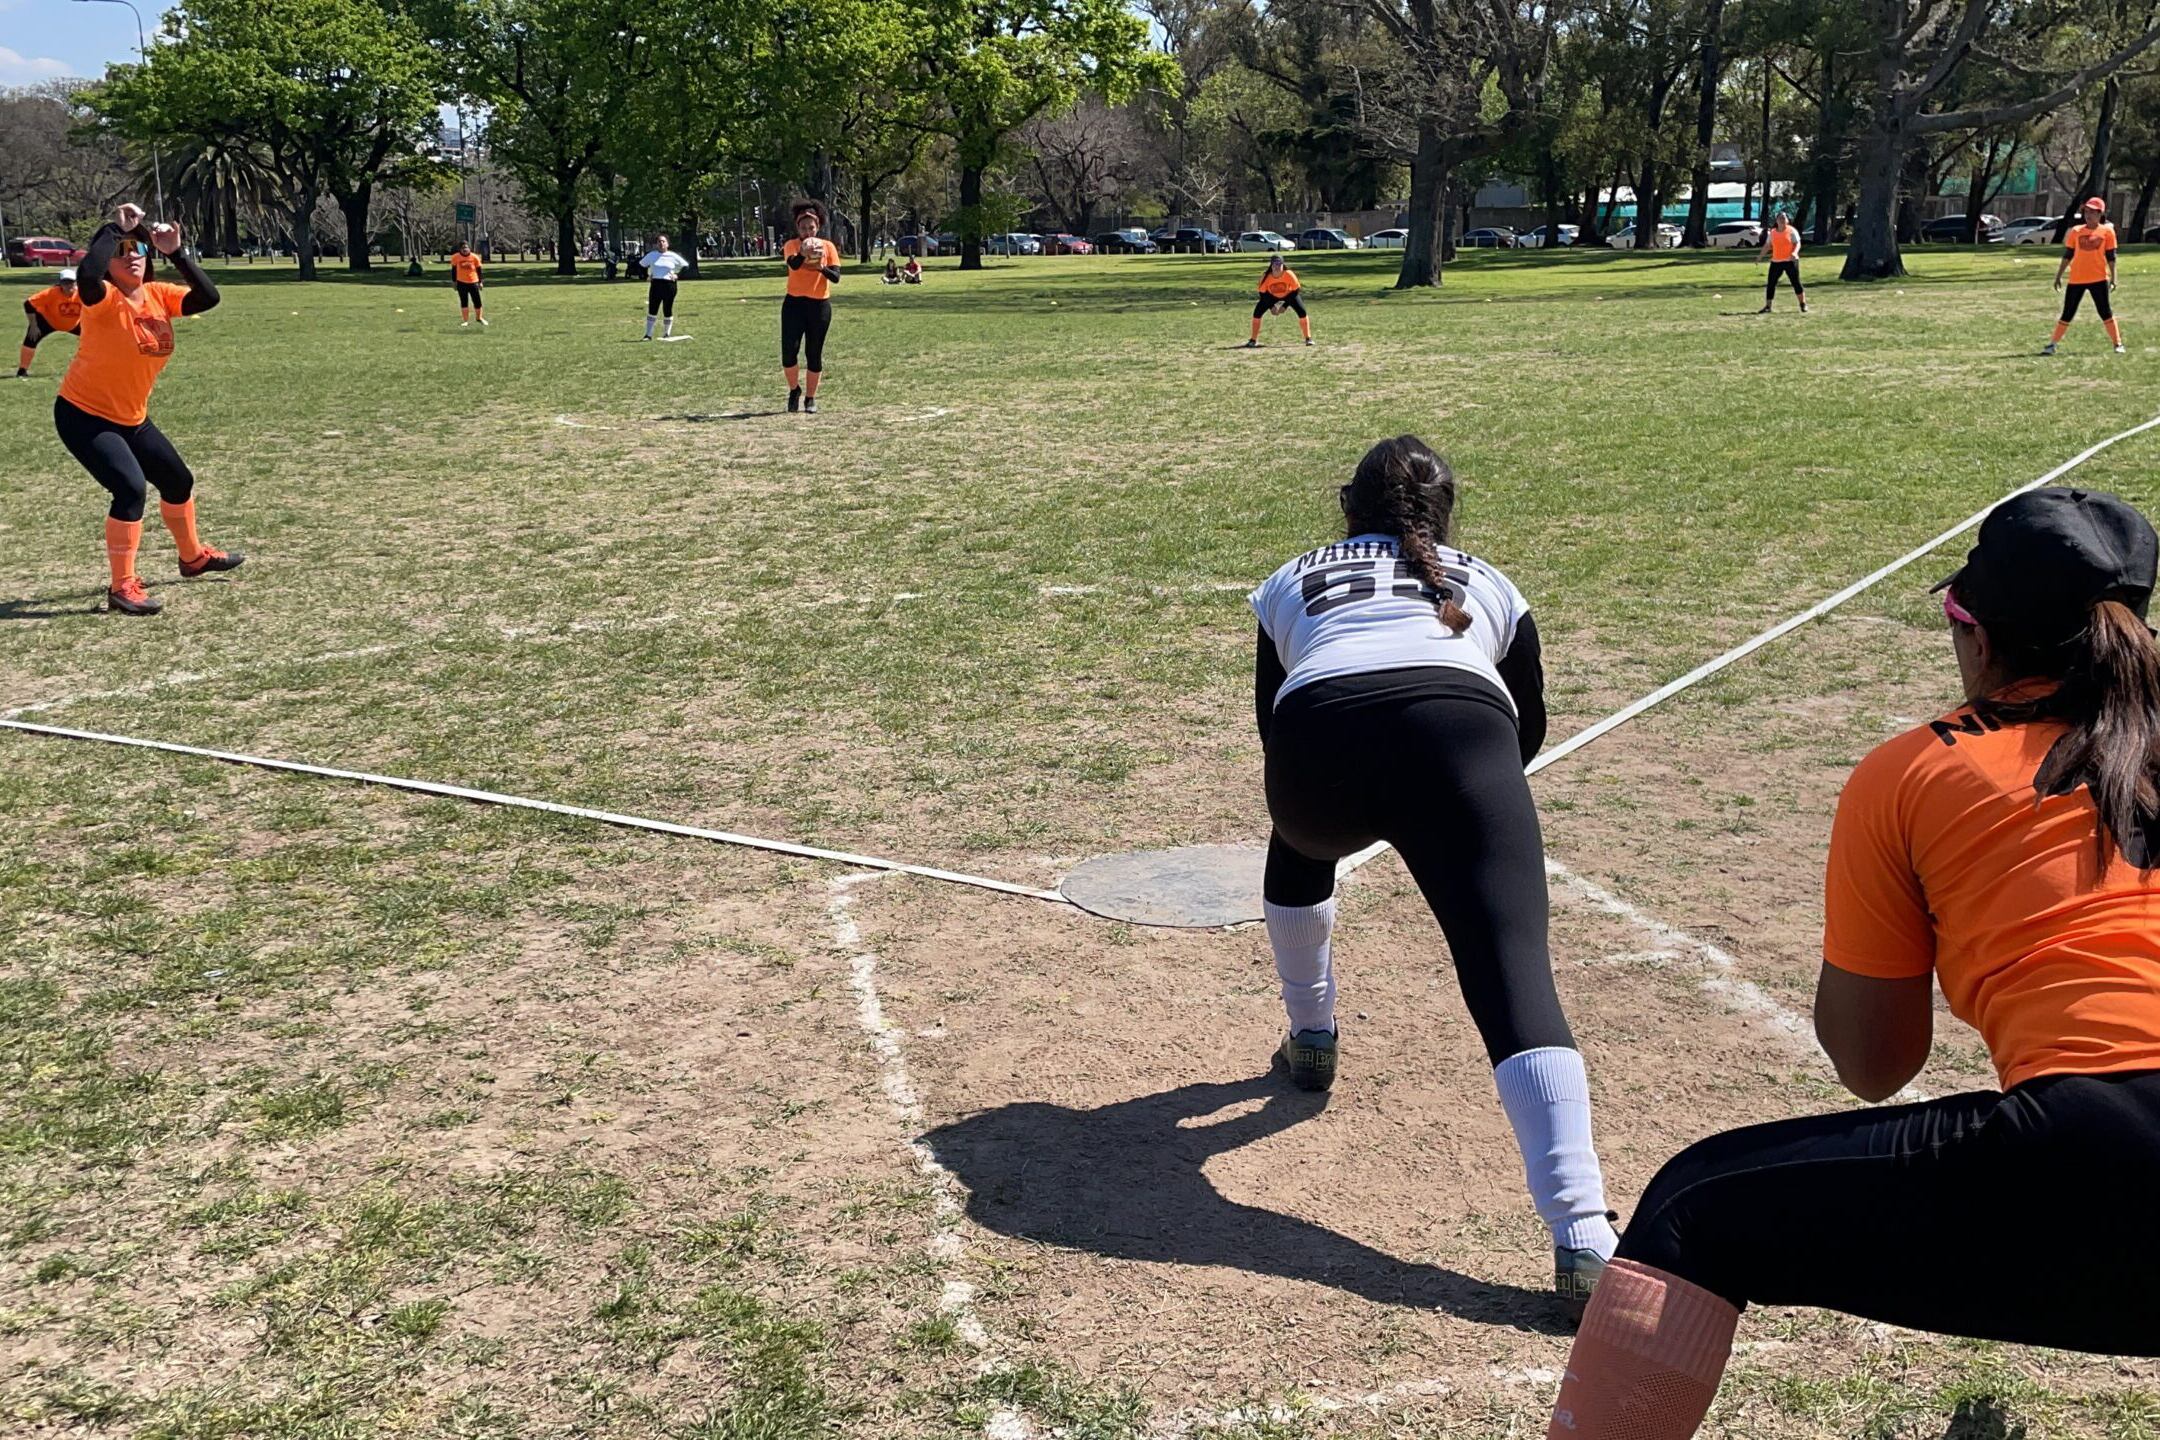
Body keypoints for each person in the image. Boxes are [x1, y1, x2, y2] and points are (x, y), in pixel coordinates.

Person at [1545, 486, 2160, 1437]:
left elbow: (1877, 1065)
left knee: (1695, 1210)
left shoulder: (1917, 770)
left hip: (2105, 1142)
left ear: (1981, 639)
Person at [1249, 436, 1619, 1315]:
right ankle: (1582, 1237)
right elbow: (1525, 726)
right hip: (1462, 744)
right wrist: (1464, 809)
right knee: (1511, 973)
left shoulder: (1288, 578)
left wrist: (1347, 793)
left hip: (1314, 754)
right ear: (1446, 512)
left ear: (1348, 508)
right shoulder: (1488, 580)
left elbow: (1274, 721)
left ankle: (1312, 1036)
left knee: (1297, 848)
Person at [54, 203, 242, 617]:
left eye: (136, 250)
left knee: (178, 481)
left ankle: (193, 558)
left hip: (132, 417)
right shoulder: (102, 299)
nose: (131, 258)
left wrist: (176, 253)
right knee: (129, 488)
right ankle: (122, 586)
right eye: (121, 253)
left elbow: (207, 297)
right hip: (83, 414)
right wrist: (113, 228)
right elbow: (87, 275)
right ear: (109, 265)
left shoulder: (158, 296)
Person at [781, 200, 841, 414]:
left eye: (811, 227)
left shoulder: (828, 247)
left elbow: (836, 278)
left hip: (819, 306)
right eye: (803, 228)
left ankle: (810, 398)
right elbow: (794, 265)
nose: (807, 231)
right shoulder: (792, 245)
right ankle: (794, 389)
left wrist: (821, 267)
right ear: (798, 229)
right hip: (794, 304)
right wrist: (803, 253)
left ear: (818, 228)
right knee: (789, 353)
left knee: (813, 354)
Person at [2046, 197, 2123, 356]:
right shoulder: (2076, 231)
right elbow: (2068, 254)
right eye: (2086, 211)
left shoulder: (2107, 232)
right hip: (2077, 279)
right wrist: (2059, 275)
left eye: (2093, 212)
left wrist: (2114, 278)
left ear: (2100, 214)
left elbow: (2111, 257)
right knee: (2068, 312)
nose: (2089, 215)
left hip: (2099, 278)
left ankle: (2117, 344)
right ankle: (2052, 344)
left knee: (2105, 312)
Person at [18, 266, 82, 377]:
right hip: (48, 321)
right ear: (60, 284)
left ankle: (93, 368)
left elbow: (95, 306)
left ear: (76, 283)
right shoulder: (51, 293)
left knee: (94, 339)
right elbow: (28, 304)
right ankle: (22, 370)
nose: (68, 285)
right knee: (31, 339)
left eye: (71, 282)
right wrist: (33, 325)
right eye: (65, 282)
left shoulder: (83, 294)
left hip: (74, 324)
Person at [1248, 253, 1312, 346]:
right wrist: (1271, 306)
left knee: (1302, 312)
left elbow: (1296, 290)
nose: (1276, 267)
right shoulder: (1266, 276)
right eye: (1274, 264)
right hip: (1270, 296)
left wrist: (1285, 305)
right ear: (1271, 265)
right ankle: (1253, 340)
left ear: (1283, 265)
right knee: (1257, 313)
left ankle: (1308, 338)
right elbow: (1262, 293)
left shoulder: (1289, 274)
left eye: (1279, 264)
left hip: (1289, 295)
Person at [1755, 210, 1806, 314]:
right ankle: (1768, 306)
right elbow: (1767, 245)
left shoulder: (1792, 231)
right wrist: (1760, 256)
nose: (1782, 220)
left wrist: (1795, 253)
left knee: (1796, 283)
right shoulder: (1772, 233)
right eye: (1780, 218)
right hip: (1776, 262)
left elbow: (1797, 243)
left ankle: (1803, 304)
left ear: (1787, 220)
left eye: (1784, 218)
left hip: (1790, 261)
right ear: (1776, 221)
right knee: (1771, 284)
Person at [641, 233, 688, 338]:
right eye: (659, 241)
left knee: (667, 308)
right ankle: (648, 335)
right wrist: (647, 275)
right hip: (656, 284)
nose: (661, 243)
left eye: (663, 241)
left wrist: (677, 275)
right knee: (652, 309)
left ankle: (667, 333)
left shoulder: (672, 255)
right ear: (656, 244)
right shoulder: (652, 255)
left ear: (667, 244)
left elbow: (686, 266)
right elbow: (641, 265)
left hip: (669, 285)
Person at [450, 241, 487, 327]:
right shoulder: (455, 257)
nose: (465, 250)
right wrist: (454, 282)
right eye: (463, 248)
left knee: (477, 301)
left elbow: (479, 270)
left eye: (466, 248)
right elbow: (454, 271)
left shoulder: (474, 257)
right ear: (460, 249)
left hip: (473, 282)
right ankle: (465, 320)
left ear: (469, 248)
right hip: (461, 282)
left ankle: (479, 318)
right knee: (464, 301)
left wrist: (480, 282)